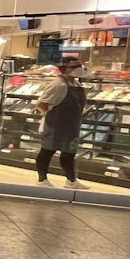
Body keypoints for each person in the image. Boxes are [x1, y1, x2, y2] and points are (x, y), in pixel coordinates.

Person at [34, 55, 88, 189]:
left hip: (72, 125)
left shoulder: (77, 84)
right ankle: (42, 179)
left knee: (69, 153)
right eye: (74, 67)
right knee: (47, 151)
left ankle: (71, 180)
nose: (78, 69)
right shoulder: (58, 84)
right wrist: (51, 115)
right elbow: (41, 104)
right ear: (64, 68)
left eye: (79, 66)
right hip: (56, 125)